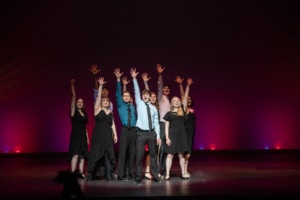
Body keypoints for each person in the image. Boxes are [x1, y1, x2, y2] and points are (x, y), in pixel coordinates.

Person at [130, 68, 161, 184]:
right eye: (144, 95)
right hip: (141, 133)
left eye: (147, 94)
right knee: (139, 155)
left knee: (153, 155)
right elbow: (136, 91)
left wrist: (157, 135)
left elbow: (156, 122)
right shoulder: (139, 104)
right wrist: (134, 78)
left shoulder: (153, 108)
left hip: (151, 133)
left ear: (149, 96)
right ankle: (138, 176)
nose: (145, 96)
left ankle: (156, 175)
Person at [87, 77, 118, 181]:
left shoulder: (111, 113)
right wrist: (100, 85)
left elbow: (113, 124)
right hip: (98, 134)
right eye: (104, 101)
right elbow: (98, 97)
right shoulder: (97, 110)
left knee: (108, 154)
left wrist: (115, 134)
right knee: (96, 153)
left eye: (107, 101)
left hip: (108, 135)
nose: (105, 102)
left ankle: (109, 174)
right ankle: (91, 173)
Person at [164, 77, 193, 180]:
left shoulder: (182, 112)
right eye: (174, 100)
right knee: (170, 155)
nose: (176, 101)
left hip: (182, 136)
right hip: (172, 136)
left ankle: (184, 173)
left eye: (178, 100)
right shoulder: (169, 114)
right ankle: (167, 174)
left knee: (181, 156)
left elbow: (185, 97)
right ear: (172, 103)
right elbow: (166, 126)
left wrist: (187, 85)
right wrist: (167, 138)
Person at [113, 68, 137, 181]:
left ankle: (131, 173)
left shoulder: (132, 107)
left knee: (132, 153)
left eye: (128, 96)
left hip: (133, 131)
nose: (126, 97)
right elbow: (118, 93)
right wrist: (118, 80)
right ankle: (121, 175)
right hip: (125, 130)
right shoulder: (120, 105)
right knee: (122, 153)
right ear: (122, 98)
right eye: (125, 96)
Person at [68, 79, 89, 179]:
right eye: (78, 102)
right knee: (75, 155)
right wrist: (72, 85)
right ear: (76, 104)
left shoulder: (84, 113)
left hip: (83, 135)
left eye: (81, 102)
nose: (80, 103)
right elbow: (73, 96)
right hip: (76, 135)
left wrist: (87, 137)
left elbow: (85, 127)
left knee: (82, 155)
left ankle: (80, 172)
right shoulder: (73, 112)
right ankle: (72, 173)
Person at [175, 76, 196, 178]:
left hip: (190, 133)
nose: (187, 100)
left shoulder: (192, 111)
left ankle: (186, 169)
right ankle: (184, 170)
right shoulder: (182, 109)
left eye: (189, 99)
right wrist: (183, 85)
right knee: (183, 153)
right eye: (186, 99)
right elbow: (183, 95)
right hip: (183, 132)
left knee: (188, 154)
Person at [141, 72, 160, 180]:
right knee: (149, 152)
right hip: (146, 132)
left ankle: (155, 171)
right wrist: (145, 82)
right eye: (150, 97)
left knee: (155, 152)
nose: (152, 98)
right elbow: (146, 92)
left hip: (155, 131)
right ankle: (148, 171)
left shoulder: (155, 107)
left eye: (154, 97)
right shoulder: (145, 105)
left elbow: (156, 121)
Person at [156, 64, 171, 178]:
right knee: (160, 148)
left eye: (167, 88)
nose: (165, 89)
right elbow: (160, 86)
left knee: (167, 148)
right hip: (161, 124)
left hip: (168, 126)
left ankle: (165, 169)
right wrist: (160, 74)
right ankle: (158, 170)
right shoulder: (160, 98)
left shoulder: (169, 101)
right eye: (165, 88)